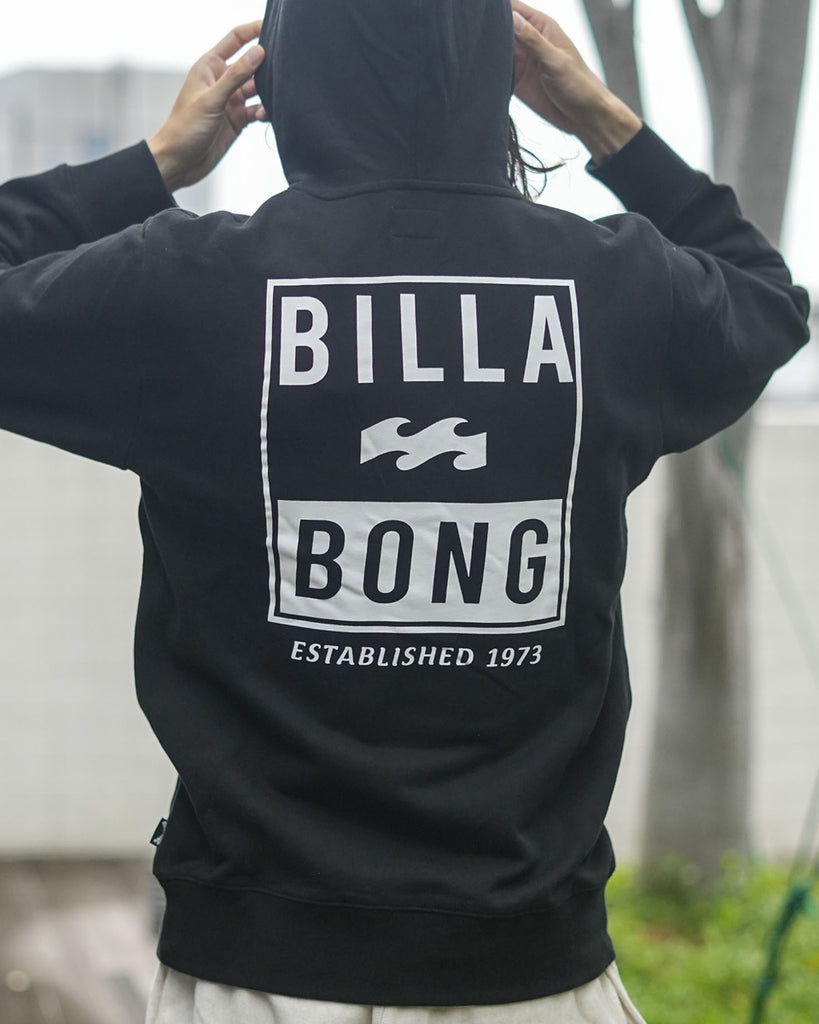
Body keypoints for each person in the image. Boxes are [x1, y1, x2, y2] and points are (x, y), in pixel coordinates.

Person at [0, 1, 809, 1021]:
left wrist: (157, 162)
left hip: (255, 975)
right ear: (495, 71)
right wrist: (600, 119)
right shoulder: (608, 285)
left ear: (286, 76)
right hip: (537, 971)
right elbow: (766, 298)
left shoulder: (190, 285)